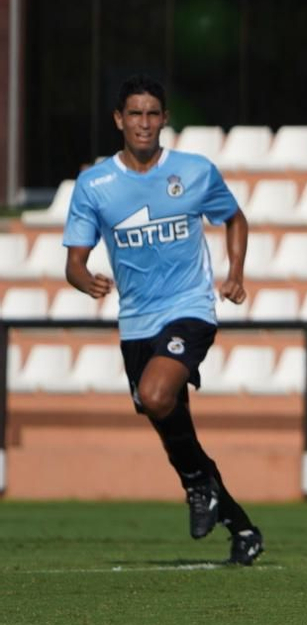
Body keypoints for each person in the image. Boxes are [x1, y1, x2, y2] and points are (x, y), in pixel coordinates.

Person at [63, 75, 263, 565]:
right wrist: (84, 279)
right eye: (135, 113)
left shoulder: (193, 171)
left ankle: (197, 486)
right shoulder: (95, 185)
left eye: (153, 113)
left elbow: (234, 218)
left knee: (155, 395)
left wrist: (235, 273)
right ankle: (241, 528)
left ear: (165, 119)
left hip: (189, 309)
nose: (144, 123)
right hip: (136, 322)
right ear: (119, 119)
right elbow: (74, 262)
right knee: (175, 432)